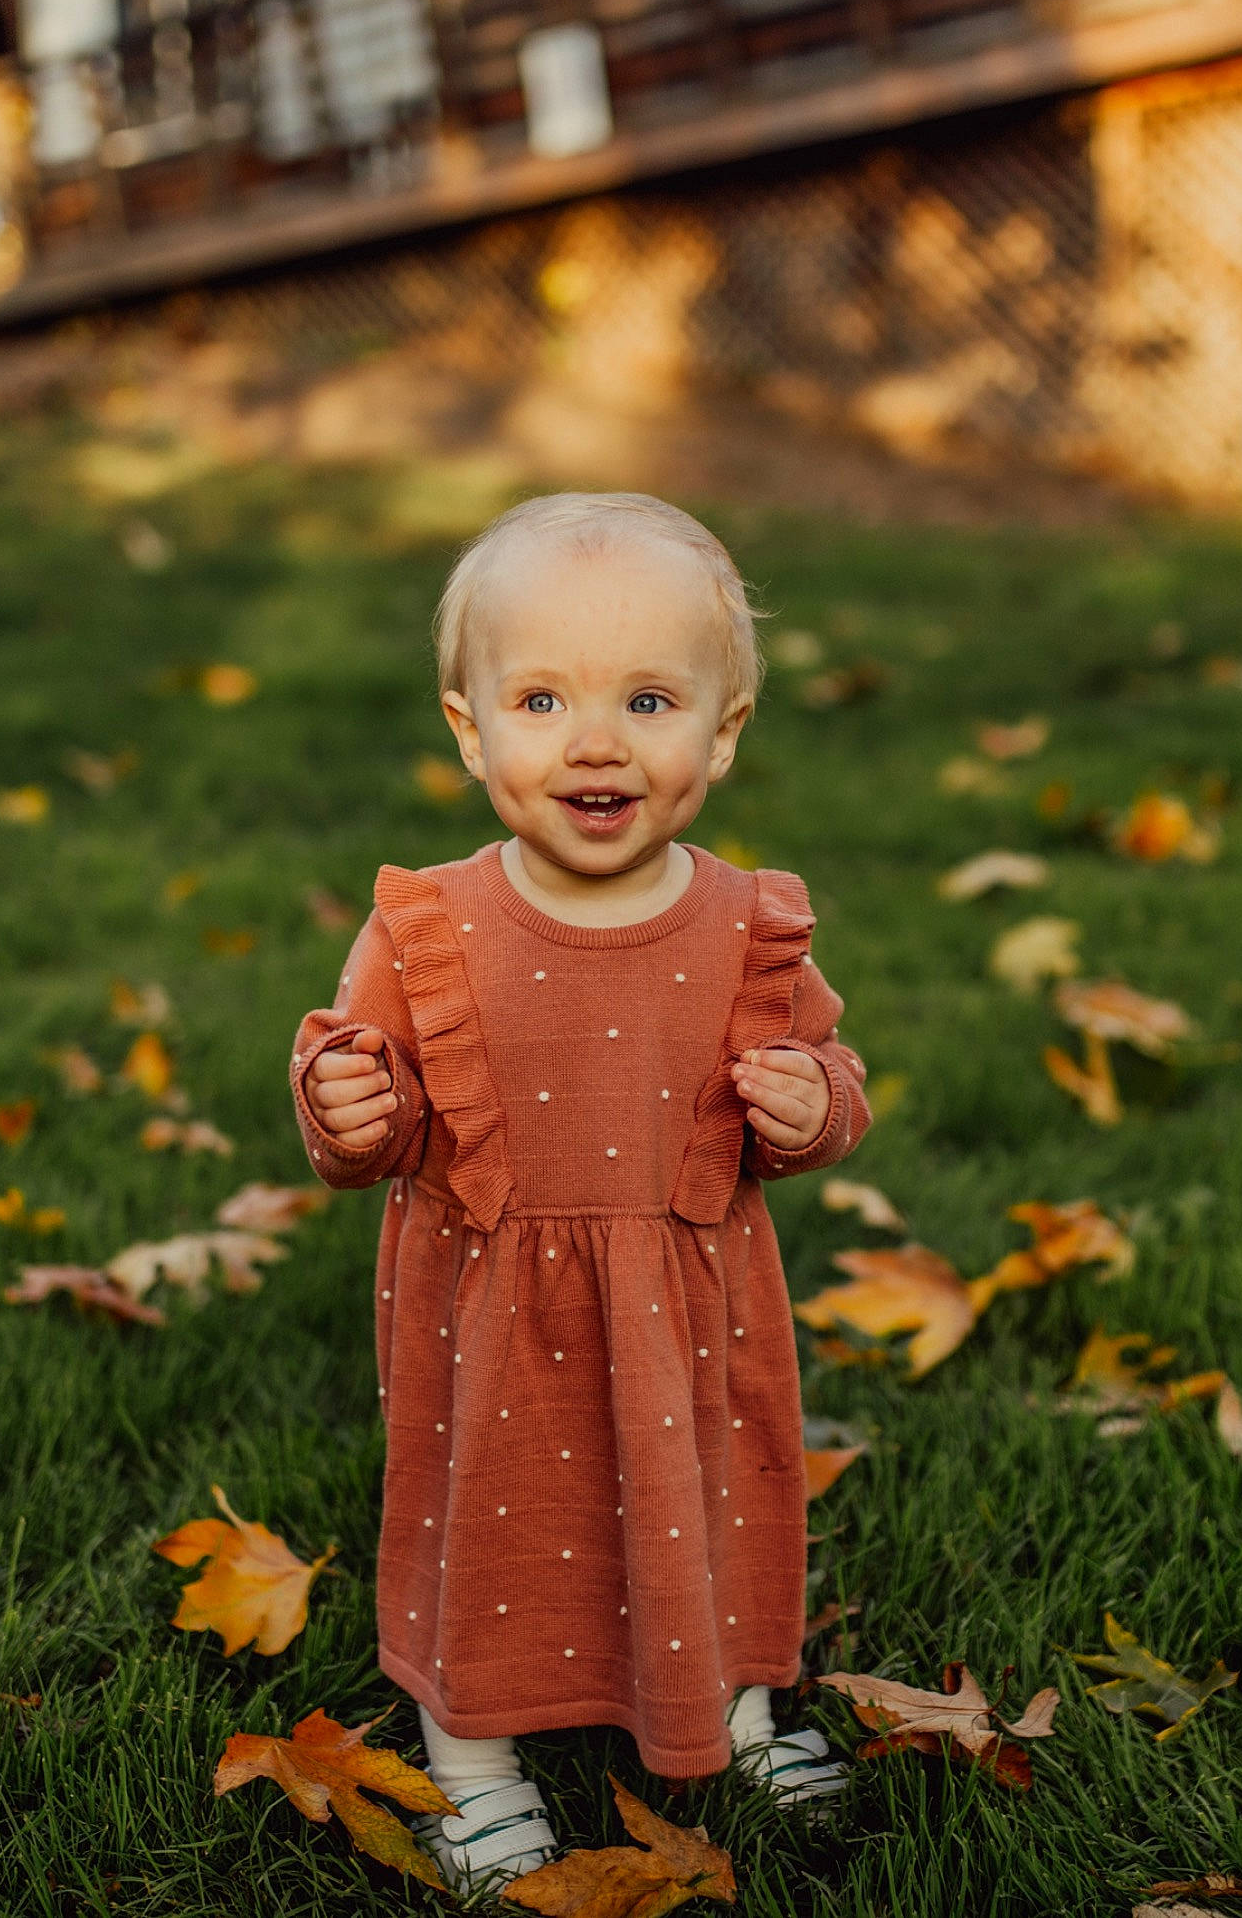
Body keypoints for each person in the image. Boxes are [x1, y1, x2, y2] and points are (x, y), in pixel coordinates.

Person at [291, 492, 871, 1891]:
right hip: (491, 1319)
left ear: (722, 732)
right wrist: (347, 1109)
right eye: (541, 697)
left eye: (651, 697)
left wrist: (812, 1106)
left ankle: (728, 1708)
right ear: (469, 726)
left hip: (693, 1308)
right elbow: (359, 1096)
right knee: (488, 1515)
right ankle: (474, 1755)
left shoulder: (748, 925)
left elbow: (826, 1073)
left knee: (708, 1494)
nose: (596, 739)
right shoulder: (427, 924)